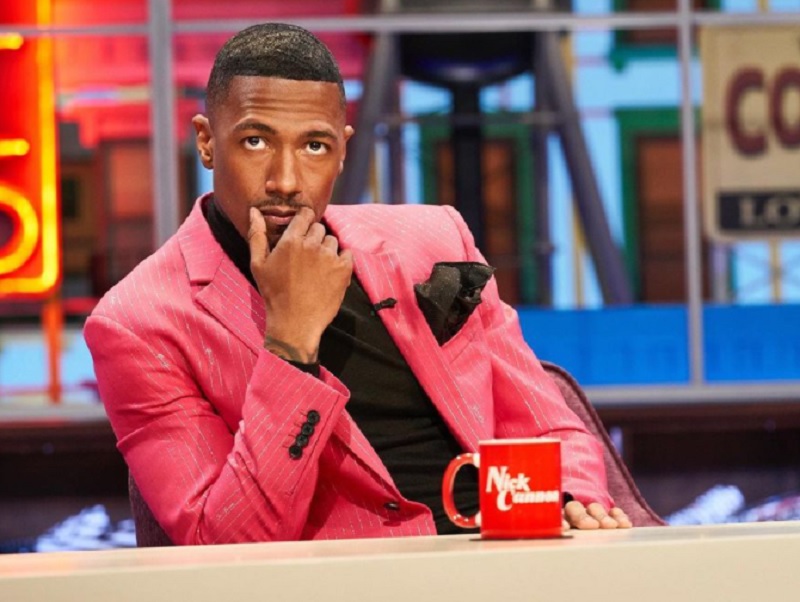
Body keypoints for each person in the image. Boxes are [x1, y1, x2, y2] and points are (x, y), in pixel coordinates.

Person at [85, 23, 631, 545]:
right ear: (206, 142)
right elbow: (225, 540)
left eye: (314, 147)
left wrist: (571, 500)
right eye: (255, 141)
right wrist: (290, 345)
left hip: (498, 562)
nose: (286, 181)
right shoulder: (138, 323)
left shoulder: (435, 239)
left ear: (343, 150)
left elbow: (548, 430)